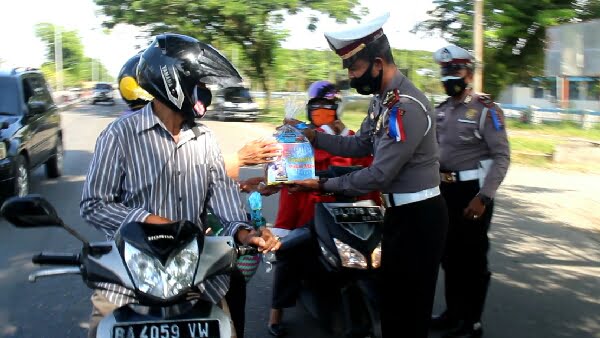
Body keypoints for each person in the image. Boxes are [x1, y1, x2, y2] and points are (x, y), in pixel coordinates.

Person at [80, 33, 281, 338]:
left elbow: (226, 207)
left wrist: (246, 233)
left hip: (193, 276)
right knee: (103, 329)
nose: (204, 93)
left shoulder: (205, 140)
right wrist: (152, 222)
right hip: (128, 278)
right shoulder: (119, 135)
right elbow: (94, 204)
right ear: (172, 82)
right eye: (199, 85)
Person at [287, 12, 449, 338]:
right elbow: (360, 144)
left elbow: (378, 175)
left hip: (420, 218)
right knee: (392, 304)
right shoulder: (382, 101)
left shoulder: (405, 107)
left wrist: (323, 183)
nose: (351, 77)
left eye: (355, 68)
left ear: (378, 64)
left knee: (410, 312)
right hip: (397, 214)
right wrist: (313, 135)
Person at [267, 80, 379, 337]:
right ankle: (275, 312)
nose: (322, 112)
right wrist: (283, 228)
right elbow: (286, 188)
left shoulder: (353, 140)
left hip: (351, 218)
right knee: (288, 251)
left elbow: (371, 180)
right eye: (317, 107)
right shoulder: (299, 140)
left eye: (328, 107)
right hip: (314, 218)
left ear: (336, 108)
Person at [430, 45, 510, 338]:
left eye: (455, 70)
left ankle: (471, 322)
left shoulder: (487, 110)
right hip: (443, 191)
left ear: (469, 73)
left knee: (472, 260)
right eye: (445, 71)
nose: (449, 76)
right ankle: (453, 314)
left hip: (472, 193)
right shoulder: (440, 110)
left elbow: (502, 157)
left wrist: (484, 197)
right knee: (449, 257)